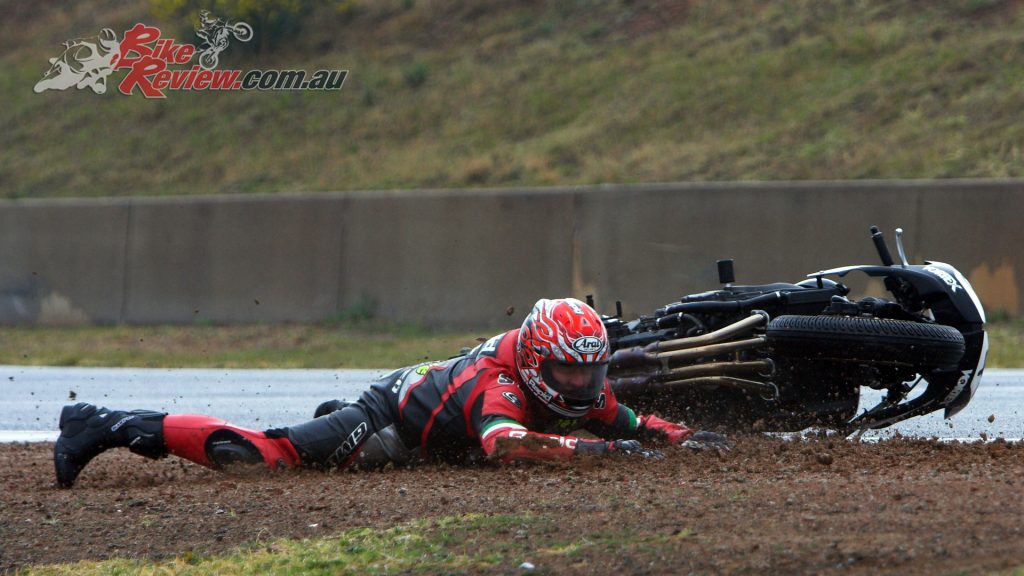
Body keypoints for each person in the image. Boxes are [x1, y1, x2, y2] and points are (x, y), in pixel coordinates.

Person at [54, 298, 731, 488]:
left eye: (590, 372)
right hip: (385, 423)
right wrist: (596, 455)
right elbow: (508, 444)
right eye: (570, 373)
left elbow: (628, 418)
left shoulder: (571, 387)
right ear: (534, 361)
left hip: (420, 411)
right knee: (265, 458)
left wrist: (677, 436)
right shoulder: (497, 386)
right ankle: (100, 423)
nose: (582, 386)